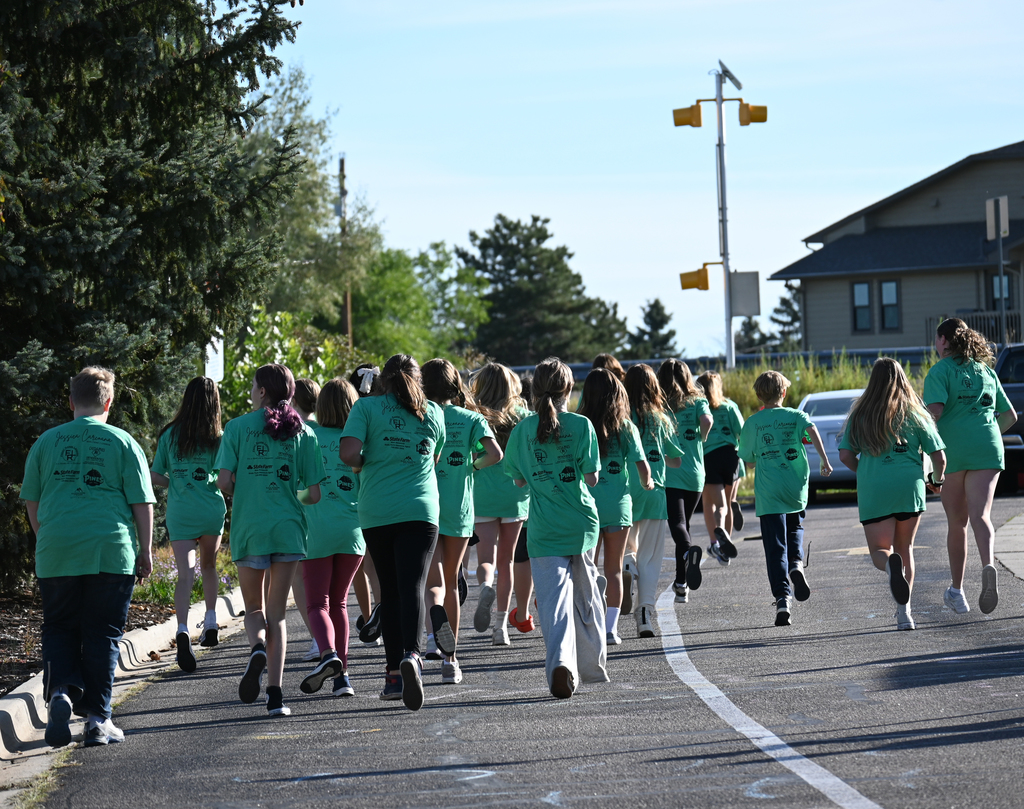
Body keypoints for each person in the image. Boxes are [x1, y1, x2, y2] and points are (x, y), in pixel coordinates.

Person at [22, 366, 155, 747]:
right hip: (109, 551)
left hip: (57, 549)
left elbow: (33, 500)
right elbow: (141, 503)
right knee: (104, 633)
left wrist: (45, 537)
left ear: (70, 402)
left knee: (60, 627)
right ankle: (98, 720)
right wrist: (145, 550)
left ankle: (61, 691)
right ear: (109, 402)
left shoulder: (46, 442)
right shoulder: (124, 442)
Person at [216, 364, 324, 717]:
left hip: (251, 527)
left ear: (262, 391)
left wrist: (246, 491)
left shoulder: (236, 427)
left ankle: (257, 648)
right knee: (278, 615)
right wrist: (291, 496)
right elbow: (314, 493)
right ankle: (276, 698)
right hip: (289, 528)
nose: (250, 391)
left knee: (255, 610)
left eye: (253, 386)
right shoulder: (304, 432)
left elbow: (224, 482)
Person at [340, 354, 445, 711]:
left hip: (377, 510)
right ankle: (413, 656)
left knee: (389, 590)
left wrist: (367, 462)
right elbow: (431, 460)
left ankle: (393, 678)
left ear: (382, 380)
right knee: (413, 584)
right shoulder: (433, 412)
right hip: (420, 509)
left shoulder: (366, 408)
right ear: (419, 381)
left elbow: (349, 453)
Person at [505, 358, 608, 698]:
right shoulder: (582, 426)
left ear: (534, 390)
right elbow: (591, 478)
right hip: (581, 524)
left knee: (553, 603)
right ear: (569, 389)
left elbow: (519, 481)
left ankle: (561, 662)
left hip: (544, 528)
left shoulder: (522, 431)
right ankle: (591, 664)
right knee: (586, 598)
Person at [839, 358, 946, 630]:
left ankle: (890, 569)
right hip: (909, 486)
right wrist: (936, 479)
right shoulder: (916, 413)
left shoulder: (860, 414)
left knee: (879, 550)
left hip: (875, 487)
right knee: (905, 548)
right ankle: (904, 614)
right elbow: (939, 457)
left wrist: (863, 469)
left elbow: (844, 455)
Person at [923, 317, 1018, 615]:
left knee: (957, 523)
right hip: (988, 448)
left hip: (954, 452)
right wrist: (985, 433)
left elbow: (935, 411)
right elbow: (1010, 415)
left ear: (942, 341)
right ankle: (988, 565)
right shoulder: (986, 371)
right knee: (982, 516)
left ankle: (957, 591)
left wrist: (922, 441)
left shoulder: (939, 372)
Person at [421, 358, 503, 684]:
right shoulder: (471, 418)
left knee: (433, 583)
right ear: (456, 386)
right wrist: (472, 464)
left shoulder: (422, 415)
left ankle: (434, 627)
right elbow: (495, 454)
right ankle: (450, 661)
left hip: (425, 508)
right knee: (454, 579)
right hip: (459, 509)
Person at [738, 371, 832, 627]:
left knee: (774, 545)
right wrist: (824, 460)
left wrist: (761, 455)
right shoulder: (797, 415)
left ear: (759, 395)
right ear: (784, 393)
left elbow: (747, 459)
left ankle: (782, 599)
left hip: (769, 492)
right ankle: (797, 565)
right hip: (795, 487)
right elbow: (812, 431)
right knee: (795, 529)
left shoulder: (753, 422)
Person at [150, 376, 227, 674]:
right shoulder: (217, 436)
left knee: (185, 575)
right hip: (210, 510)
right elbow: (223, 476)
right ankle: (210, 620)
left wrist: (176, 482)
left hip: (181, 511)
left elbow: (156, 475)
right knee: (208, 566)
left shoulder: (170, 434)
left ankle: (182, 629)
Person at [298, 378, 365, 697]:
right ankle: (343, 680)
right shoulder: (360, 440)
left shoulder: (307, 434)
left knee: (316, 604)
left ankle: (328, 655)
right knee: (339, 602)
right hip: (353, 533)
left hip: (316, 532)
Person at [576, 368, 653, 645]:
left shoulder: (580, 424)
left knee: (587, 568)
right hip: (619, 507)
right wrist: (648, 483)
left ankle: (587, 622)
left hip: (587, 506)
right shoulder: (626, 427)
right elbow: (642, 466)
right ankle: (610, 629)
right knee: (615, 570)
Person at [469, 363, 530, 643]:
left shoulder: (474, 415)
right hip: (515, 495)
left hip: (482, 495)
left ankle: (484, 586)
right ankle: (501, 627)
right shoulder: (523, 417)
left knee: (486, 560)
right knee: (507, 561)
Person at [623, 364, 683, 638]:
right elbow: (675, 459)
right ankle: (644, 613)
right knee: (651, 558)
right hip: (653, 493)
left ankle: (626, 565)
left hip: (622, 493)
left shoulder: (619, 418)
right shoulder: (661, 419)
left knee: (626, 546)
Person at [658, 359, 716, 603]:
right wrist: (701, 438)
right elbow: (707, 421)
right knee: (685, 525)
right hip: (694, 472)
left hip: (670, 471)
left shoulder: (659, 403)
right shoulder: (697, 400)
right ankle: (681, 584)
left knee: (678, 525)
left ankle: (689, 555)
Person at [347, 364, 383, 645]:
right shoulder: (383, 413)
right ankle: (381, 613)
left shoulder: (356, 416)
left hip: (352, 500)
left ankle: (367, 613)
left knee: (360, 566)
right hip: (377, 494)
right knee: (376, 567)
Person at [695, 371, 745, 564]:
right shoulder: (730, 406)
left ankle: (716, 541)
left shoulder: (698, 408)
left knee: (712, 504)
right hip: (731, 456)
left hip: (709, 457)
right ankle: (726, 545)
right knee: (728, 502)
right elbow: (741, 431)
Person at [286, 378, 319, 661]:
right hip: (337, 517)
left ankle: (317, 638)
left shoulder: (296, 433)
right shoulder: (332, 431)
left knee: (301, 580)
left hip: (303, 514)